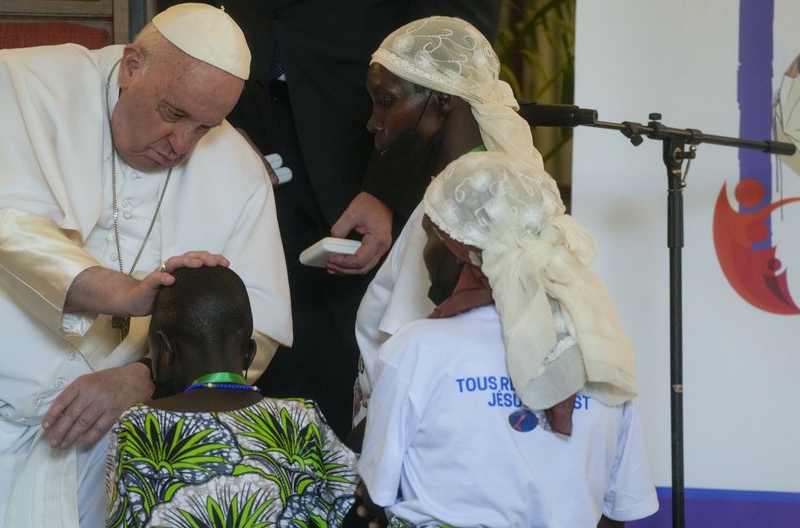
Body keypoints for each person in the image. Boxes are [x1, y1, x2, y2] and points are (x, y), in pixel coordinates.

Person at [0, 4, 291, 527]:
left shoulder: (238, 172)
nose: (181, 146)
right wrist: (125, 295)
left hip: (110, 404)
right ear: (131, 66)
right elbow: (1, 223)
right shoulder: (25, 80)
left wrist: (143, 378)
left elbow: (255, 328)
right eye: (174, 114)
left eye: (205, 128)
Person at [157, 1, 501, 439]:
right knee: (247, 320)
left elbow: (452, 35)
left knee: (343, 359)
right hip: (242, 117)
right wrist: (216, 116)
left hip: (359, 138)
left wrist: (385, 186)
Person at [357, 151, 659, 527]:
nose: (425, 254)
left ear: (460, 252)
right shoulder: (601, 353)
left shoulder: (415, 349)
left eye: (430, 237)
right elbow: (619, 512)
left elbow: (376, 495)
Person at [352, 15, 543, 427]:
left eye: (386, 100)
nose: (372, 120)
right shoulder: (472, 185)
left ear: (442, 100)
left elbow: (410, 348)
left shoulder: (459, 206)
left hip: (422, 430)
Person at [107, 265, 360, 527]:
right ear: (250, 353)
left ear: (164, 350)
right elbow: (346, 497)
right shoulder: (301, 417)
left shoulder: (137, 425)